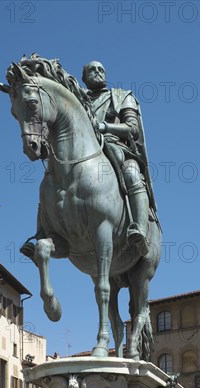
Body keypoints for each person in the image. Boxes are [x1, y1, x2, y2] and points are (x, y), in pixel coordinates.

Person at [82, 60, 158, 256]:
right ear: (84, 78)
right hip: (84, 150)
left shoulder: (122, 96)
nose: (97, 72)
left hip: (116, 146)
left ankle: (140, 229)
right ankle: (43, 231)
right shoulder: (78, 100)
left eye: (101, 69)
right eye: (92, 70)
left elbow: (132, 128)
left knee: (132, 173)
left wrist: (105, 127)